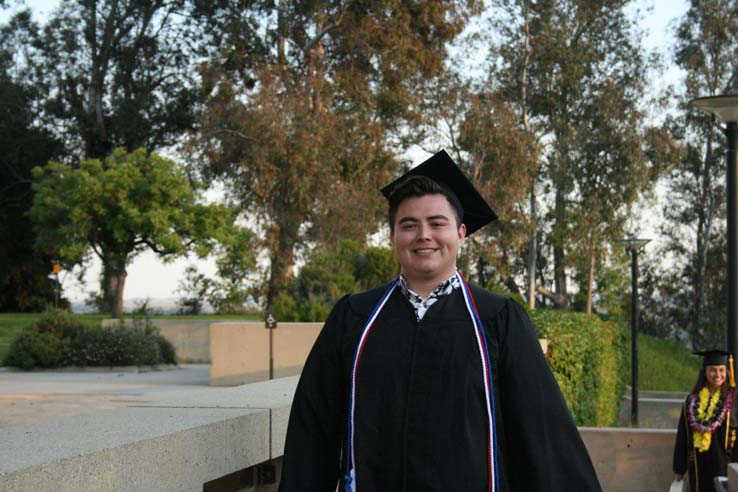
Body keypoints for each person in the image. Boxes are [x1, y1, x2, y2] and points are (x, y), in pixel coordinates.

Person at [278, 150, 601, 492]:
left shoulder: (497, 320)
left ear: (461, 233)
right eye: (409, 225)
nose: (423, 235)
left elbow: (542, 435)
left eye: (437, 223)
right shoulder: (355, 319)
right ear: (393, 236)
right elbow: (313, 432)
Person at [673, 350, 738, 492]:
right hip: (698, 463)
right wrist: (679, 469)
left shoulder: (733, 401)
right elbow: (683, 436)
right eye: (712, 370)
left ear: (727, 372)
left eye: (721, 370)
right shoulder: (691, 402)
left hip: (725, 464)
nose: (717, 374)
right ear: (705, 372)